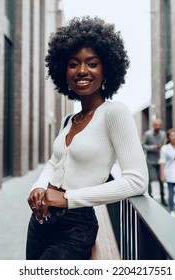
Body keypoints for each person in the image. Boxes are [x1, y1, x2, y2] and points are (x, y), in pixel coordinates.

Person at [26, 16, 148, 260]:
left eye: (92, 64)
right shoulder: (69, 120)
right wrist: (37, 187)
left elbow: (137, 181)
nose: (82, 71)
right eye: (73, 64)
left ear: (106, 72)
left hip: (75, 226)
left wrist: (68, 198)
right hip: (40, 220)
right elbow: (53, 162)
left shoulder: (114, 113)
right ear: (64, 73)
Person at [142, 119, 167, 205]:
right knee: (151, 179)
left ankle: (163, 198)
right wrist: (152, 147)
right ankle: (150, 196)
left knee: (161, 179)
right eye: (156, 125)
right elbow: (143, 145)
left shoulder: (163, 134)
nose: (158, 127)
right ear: (153, 125)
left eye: (160, 125)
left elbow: (165, 144)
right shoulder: (148, 134)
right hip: (150, 161)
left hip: (160, 161)